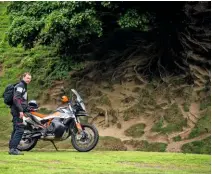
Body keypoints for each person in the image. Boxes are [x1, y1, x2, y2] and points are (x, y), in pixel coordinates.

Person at [8, 72, 32, 155]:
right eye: (27, 78)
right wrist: (21, 110)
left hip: (17, 110)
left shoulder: (23, 86)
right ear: (23, 77)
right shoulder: (20, 86)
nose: (29, 80)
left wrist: (27, 108)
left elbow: (22, 100)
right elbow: (16, 99)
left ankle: (12, 148)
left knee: (16, 129)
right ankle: (13, 149)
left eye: (30, 78)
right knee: (20, 129)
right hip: (17, 111)